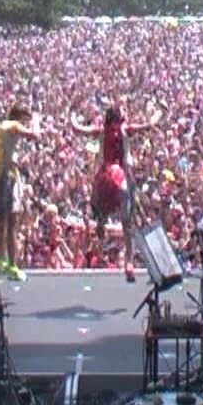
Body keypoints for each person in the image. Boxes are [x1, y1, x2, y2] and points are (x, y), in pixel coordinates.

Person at [71, 103, 162, 281]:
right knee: (128, 223)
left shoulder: (101, 130)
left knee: (96, 200)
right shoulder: (126, 129)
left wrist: (72, 115)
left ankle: (100, 221)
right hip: (121, 175)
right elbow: (149, 125)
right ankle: (129, 262)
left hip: (105, 176)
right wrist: (159, 112)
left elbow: (78, 129)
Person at [0, 105, 41, 279]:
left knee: (2, 220)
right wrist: (36, 121)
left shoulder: (0, 127)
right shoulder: (13, 125)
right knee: (12, 220)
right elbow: (34, 135)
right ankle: (12, 264)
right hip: (8, 175)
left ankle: (2, 261)